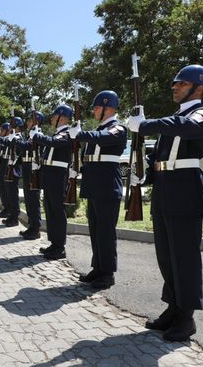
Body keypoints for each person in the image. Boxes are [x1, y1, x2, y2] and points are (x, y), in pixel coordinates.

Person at [128, 65, 203, 342]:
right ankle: (173, 308)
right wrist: (145, 174)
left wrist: (146, 124)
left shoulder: (201, 114)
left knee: (184, 257)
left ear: (198, 88)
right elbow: (160, 155)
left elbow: (186, 128)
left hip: (185, 189)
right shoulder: (176, 117)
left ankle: (186, 318)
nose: (174, 87)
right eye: (174, 83)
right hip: (166, 189)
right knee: (166, 255)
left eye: (181, 83)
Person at [68, 90, 127, 289]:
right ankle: (98, 268)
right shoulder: (100, 129)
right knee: (95, 229)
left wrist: (82, 134)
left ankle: (108, 273)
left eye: (96, 107)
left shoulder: (117, 128)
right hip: (95, 185)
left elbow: (103, 138)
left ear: (108, 107)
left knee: (106, 231)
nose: (93, 110)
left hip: (107, 185)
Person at [34, 105, 73, 260]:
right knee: (50, 210)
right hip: (50, 176)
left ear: (62, 118)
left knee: (57, 211)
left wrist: (37, 135)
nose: (51, 118)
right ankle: (54, 243)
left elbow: (52, 142)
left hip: (58, 177)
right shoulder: (57, 133)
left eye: (54, 116)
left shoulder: (66, 133)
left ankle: (60, 247)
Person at [16, 111, 43, 240]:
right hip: (27, 168)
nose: (27, 123)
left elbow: (28, 147)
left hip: (34, 170)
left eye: (30, 120)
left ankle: (36, 228)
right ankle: (31, 226)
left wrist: (16, 140)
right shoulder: (31, 135)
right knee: (28, 200)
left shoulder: (38, 135)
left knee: (33, 200)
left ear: (36, 121)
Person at [3, 116, 24, 227]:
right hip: (9, 167)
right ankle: (11, 215)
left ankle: (15, 218)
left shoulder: (19, 138)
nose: (10, 127)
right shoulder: (12, 137)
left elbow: (19, 153)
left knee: (13, 194)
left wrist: (13, 162)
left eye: (12, 125)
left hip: (14, 169)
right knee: (9, 194)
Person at [0, 123, 11, 218]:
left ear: (7, 131)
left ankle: (8, 209)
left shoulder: (10, 139)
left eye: (2, 130)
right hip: (2, 163)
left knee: (6, 189)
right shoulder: (3, 140)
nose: (0, 132)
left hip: (7, 165)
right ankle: (5, 208)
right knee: (1, 187)